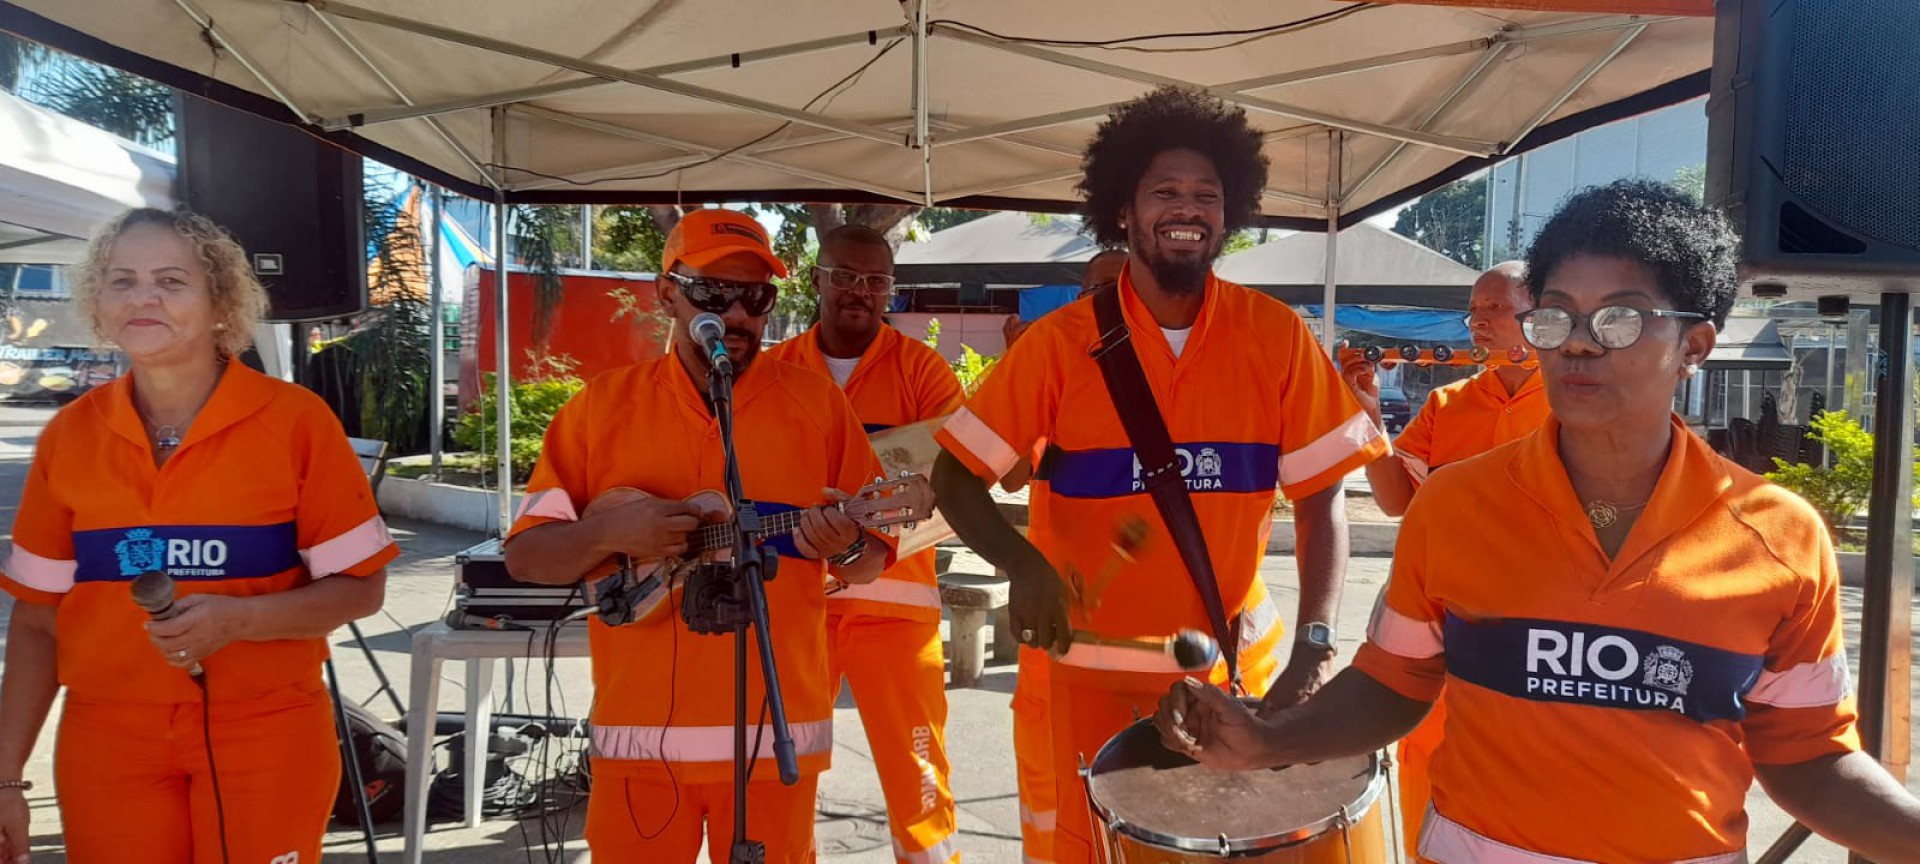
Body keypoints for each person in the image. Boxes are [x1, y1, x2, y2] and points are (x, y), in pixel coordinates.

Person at [1156, 180, 1920, 863]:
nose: (1579, 342)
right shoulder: (1453, 505)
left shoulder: (1780, 537)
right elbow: (1395, 682)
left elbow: (1809, 754)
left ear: (1695, 345)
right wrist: (1273, 741)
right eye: (1555, 317)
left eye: (1619, 319)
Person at [933, 86, 1386, 863]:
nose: (1187, 208)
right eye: (1164, 192)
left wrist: (1313, 651)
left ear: (1228, 212)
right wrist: (1021, 562)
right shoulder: (1055, 346)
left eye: (1205, 194)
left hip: (1235, 679)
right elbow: (954, 474)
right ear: (1124, 211)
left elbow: (1322, 500)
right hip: (1082, 686)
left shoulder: (1275, 335)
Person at [0, 207, 396, 863]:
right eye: (122, 279)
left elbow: (361, 590)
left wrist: (241, 620)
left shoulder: (295, 421)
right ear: (99, 302)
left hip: (266, 728)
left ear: (221, 304)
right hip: (107, 734)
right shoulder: (69, 435)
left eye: (171, 280)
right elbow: (38, 621)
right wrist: (7, 776)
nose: (143, 295)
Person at [503, 208, 895, 862]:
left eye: (756, 297)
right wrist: (611, 530)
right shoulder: (600, 409)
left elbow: (870, 560)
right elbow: (527, 558)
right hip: (638, 745)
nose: (736, 313)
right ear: (667, 294)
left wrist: (845, 545)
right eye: (713, 292)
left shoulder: (819, 405)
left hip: (776, 740)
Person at [763, 224, 963, 864]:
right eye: (845, 275)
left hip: (896, 614)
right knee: (781, 775)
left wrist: (872, 546)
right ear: (815, 277)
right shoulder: (772, 372)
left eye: (875, 281)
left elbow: (958, 485)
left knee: (920, 783)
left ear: (890, 292)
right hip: (792, 608)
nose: (859, 291)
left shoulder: (923, 371)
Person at [1338, 260, 1550, 855]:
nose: (1479, 322)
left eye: (1496, 309)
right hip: (1442, 611)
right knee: (1425, 749)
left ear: (1542, 315)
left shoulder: (1572, 403)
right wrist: (1370, 418)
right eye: (1475, 310)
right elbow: (1394, 501)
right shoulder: (1449, 403)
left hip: (1537, 620)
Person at [1004, 245, 1127, 859]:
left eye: (1120, 287)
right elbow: (1003, 475)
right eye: (1092, 291)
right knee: (1046, 777)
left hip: (1136, 630)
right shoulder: (1055, 375)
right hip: (1053, 617)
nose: (1105, 302)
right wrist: (1016, 368)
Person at [1002, 248, 1128, 350]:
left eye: (1128, 286)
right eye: (1104, 287)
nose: (1119, 294)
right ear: (1081, 298)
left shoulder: (1146, 348)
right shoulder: (1054, 352)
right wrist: (1017, 357)